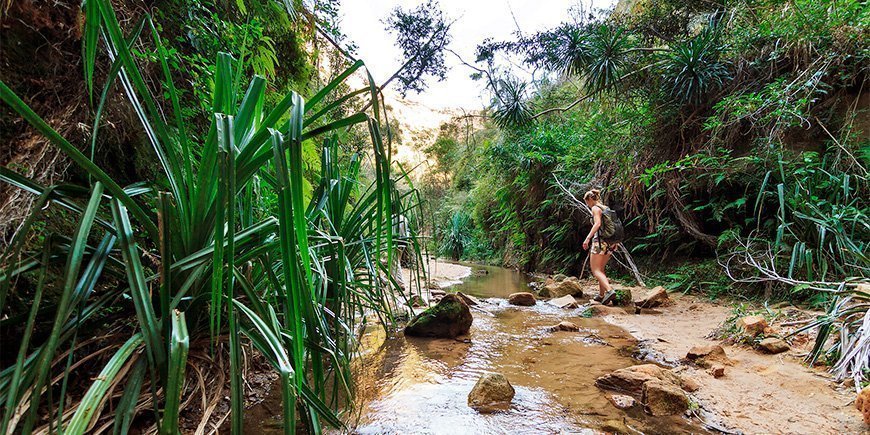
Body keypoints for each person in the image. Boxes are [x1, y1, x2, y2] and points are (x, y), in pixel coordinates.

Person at [582, 189, 619, 304]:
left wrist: (587, 238)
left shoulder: (595, 208)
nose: (587, 205)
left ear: (590, 200)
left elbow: (597, 224)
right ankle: (601, 294)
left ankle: (609, 291)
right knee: (601, 269)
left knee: (595, 270)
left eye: (587, 202)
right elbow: (614, 226)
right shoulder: (606, 208)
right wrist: (616, 242)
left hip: (600, 242)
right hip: (611, 242)